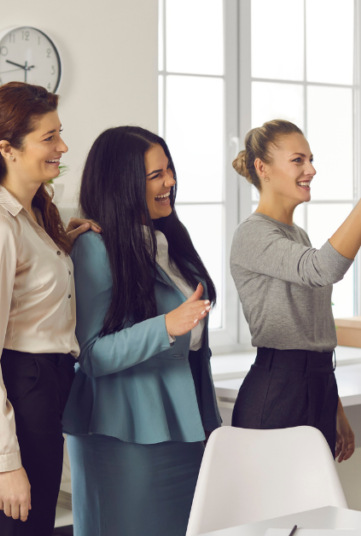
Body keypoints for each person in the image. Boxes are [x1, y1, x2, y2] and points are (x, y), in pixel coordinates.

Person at [0, 82, 99, 535]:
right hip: (15, 390)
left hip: (39, 386)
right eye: (48, 138)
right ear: (8, 149)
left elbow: (30, 288)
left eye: (60, 134)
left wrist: (63, 244)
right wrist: (7, 462)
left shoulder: (32, 214)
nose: (63, 147)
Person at [62, 126, 222, 536]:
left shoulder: (167, 239)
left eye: (169, 170)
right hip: (125, 435)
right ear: (122, 184)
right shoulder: (94, 248)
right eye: (156, 175)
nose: (170, 182)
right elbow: (92, 354)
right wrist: (167, 327)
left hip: (187, 425)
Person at [229, 119, 361, 462]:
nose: (311, 169)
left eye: (311, 159)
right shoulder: (253, 234)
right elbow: (324, 267)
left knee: (313, 511)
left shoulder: (297, 236)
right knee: (276, 511)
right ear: (263, 168)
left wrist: (335, 408)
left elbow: (312, 330)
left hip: (318, 384)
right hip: (278, 392)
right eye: (298, 160)